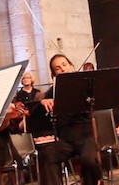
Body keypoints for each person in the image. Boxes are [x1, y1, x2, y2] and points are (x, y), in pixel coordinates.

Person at [38, 54, 101, 185]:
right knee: (47, 155)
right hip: (67, 140)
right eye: (57, 68)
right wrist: (43, 100)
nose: (62, 69)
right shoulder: (54, 91)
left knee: (88, 160)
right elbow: (38, 101)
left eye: (64, 64)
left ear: (71, 65)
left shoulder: (86, 85)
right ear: (54, 74)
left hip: (87, 136)